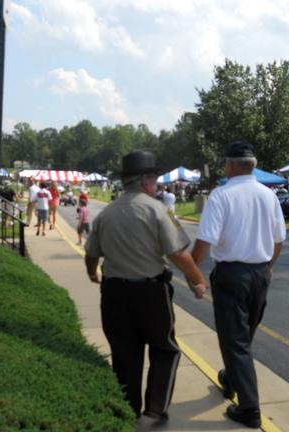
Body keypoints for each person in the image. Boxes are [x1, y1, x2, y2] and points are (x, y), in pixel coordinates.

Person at [84, 151, 208, 421]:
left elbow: (91, 253)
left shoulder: (106, 214)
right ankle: (156, 407)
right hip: (150, 293)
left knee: (125, 353)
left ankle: (128, 410)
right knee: (165, 348)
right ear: (144, 181)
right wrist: (197, 279)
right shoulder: (157, 210)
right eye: (154, 179)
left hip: (114, 293)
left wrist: (93, 274)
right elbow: (177, 253)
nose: (156, 184)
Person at [192, 141, 286, 429]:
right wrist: (269, 267)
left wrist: (192, 272)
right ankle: (230, 379)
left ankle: (249, 409)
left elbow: (205, 241)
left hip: (232, 275)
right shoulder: (268, 195)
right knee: (242, 338)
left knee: (235, 342)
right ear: (253, 165)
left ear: (230, 165)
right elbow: (278, 240)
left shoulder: (221, 195)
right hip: (259, 274)